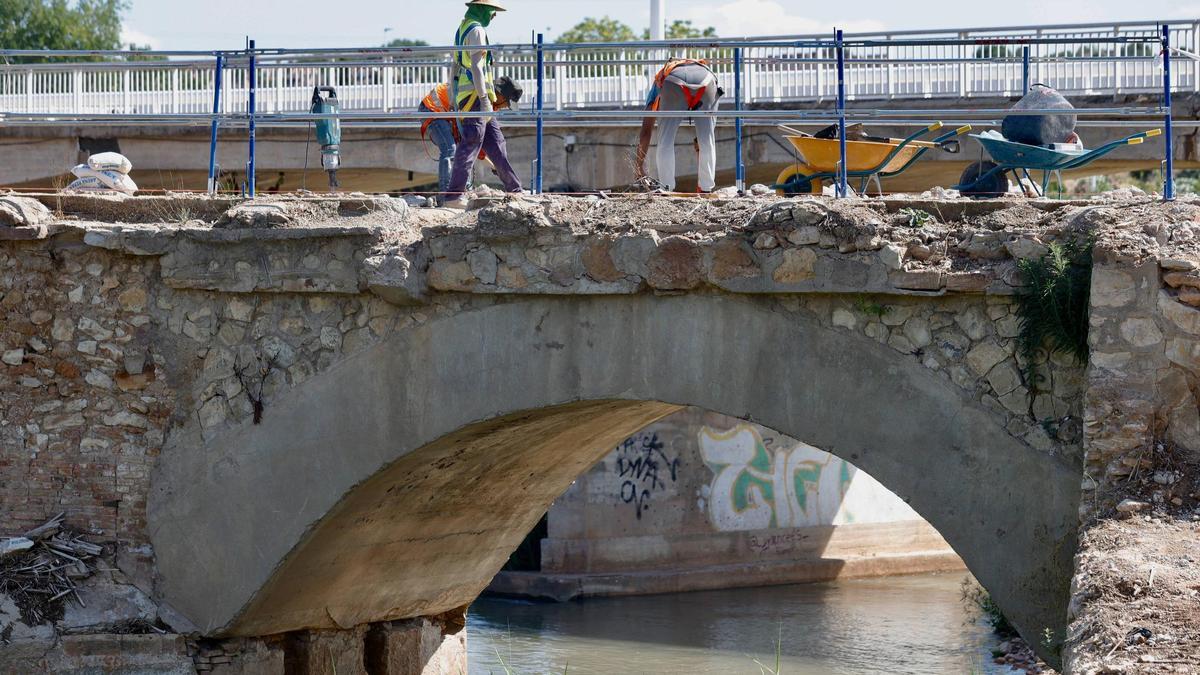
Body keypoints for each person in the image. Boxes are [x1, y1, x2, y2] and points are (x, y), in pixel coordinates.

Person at [443, 0, 522, 209]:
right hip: (475, 98)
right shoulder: (476, 30)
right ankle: (453, 196)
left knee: (496, 144)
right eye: (492, 11)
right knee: (470, 142)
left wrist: (452, 93)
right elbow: (477, 67)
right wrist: (484, 99)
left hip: (476, 97)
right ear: (482, 9)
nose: (494, 15)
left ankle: (515, 189)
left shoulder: (463, 29)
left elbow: (455, 65)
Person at [419, 76, 522, 205]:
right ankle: (448, 195)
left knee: (495, 144)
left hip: (456, 111)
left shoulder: (491, 102)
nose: (507, 106)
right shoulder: (480, 96)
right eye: (507, 102)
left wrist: (496, 166)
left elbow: (479, 149)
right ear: (500, 94)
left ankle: (514, 190)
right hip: (432, 109)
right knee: (450, 148)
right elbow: (473, 142)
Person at [635, 58, 722, 193]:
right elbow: (703, 138)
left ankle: (666, 188)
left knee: (665, 139)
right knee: (707, 139)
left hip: (673, 83)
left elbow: (646, 131)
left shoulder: (657, 86)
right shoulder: (697, 68)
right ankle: (706, 188)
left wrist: (639, 167)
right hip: (707, 79)